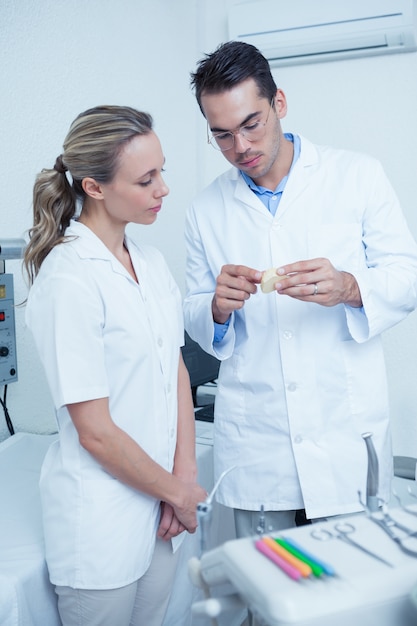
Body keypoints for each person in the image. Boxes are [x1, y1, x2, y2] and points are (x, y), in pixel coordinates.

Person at [184, 41, 417, 538]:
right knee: (268, 596)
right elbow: (194, 314)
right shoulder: (205, 210)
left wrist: (350, 287)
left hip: (344, 433)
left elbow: (406, 273)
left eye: (251, 124)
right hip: (257, 446)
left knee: (353, 595)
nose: (240, 147)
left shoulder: (357, 175)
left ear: (279, 103)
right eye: (221, 135)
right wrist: (216, 308)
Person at [24, 105, 207, 626]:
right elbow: (96, 433)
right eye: (146, 179)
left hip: (158, 509)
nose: (163, 189)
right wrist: (179, 494)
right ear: (95, 187)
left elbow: (175, 371)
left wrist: (183, 479)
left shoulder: (148, 262)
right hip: (100, 524)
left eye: (162, 171)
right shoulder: (69, 278)